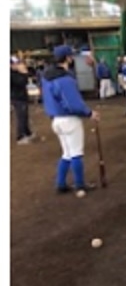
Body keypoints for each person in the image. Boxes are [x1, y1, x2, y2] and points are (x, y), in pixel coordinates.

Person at [41, 45, 100, 194]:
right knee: (76, 153)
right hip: (69, 120)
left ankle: (60, 183)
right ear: (67, 58)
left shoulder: (46, 77)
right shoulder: (65, 79)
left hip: (56, 120)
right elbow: (72, 103)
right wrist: (89, 113)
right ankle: (80, 184)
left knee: (67, 153)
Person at [10, 56, 34, 144]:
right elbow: (22, 82)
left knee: (24, 116)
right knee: (21, 116)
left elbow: (29, 76)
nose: (18, 65)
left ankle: (27, 132)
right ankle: (20, 136)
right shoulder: (12, 74)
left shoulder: (16, 73)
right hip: (17, 97)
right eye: (15, 63)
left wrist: (25, 72)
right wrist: (24, 73)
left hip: (21, 96)